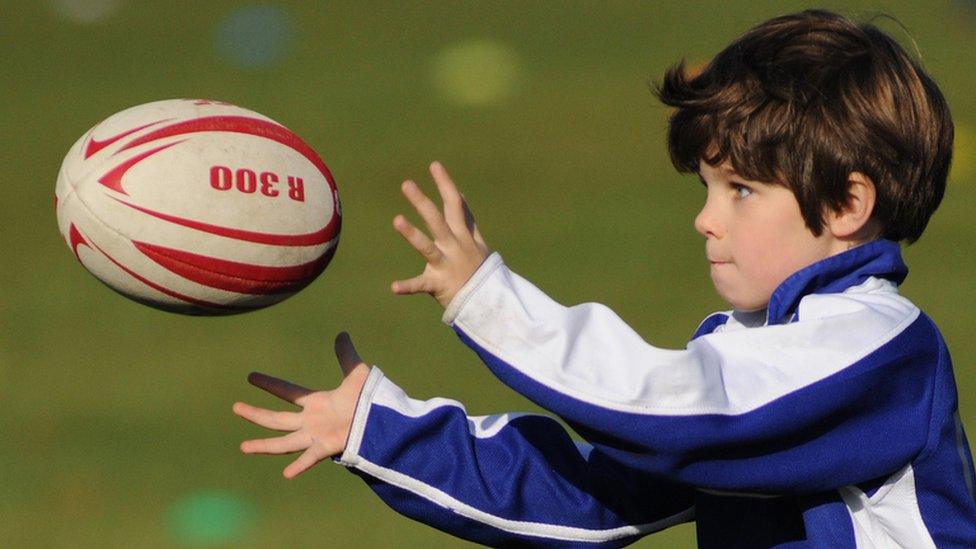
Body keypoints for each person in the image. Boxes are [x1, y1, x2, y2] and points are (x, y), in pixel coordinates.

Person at [232, 9, 976, 547]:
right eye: (705, 189)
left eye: (741, 191)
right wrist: (378, 430)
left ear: (848, 203)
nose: (706, 221)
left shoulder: (880, 351)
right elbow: (586, 497)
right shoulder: (751, 353)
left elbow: (681, 408)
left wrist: (487, 298)